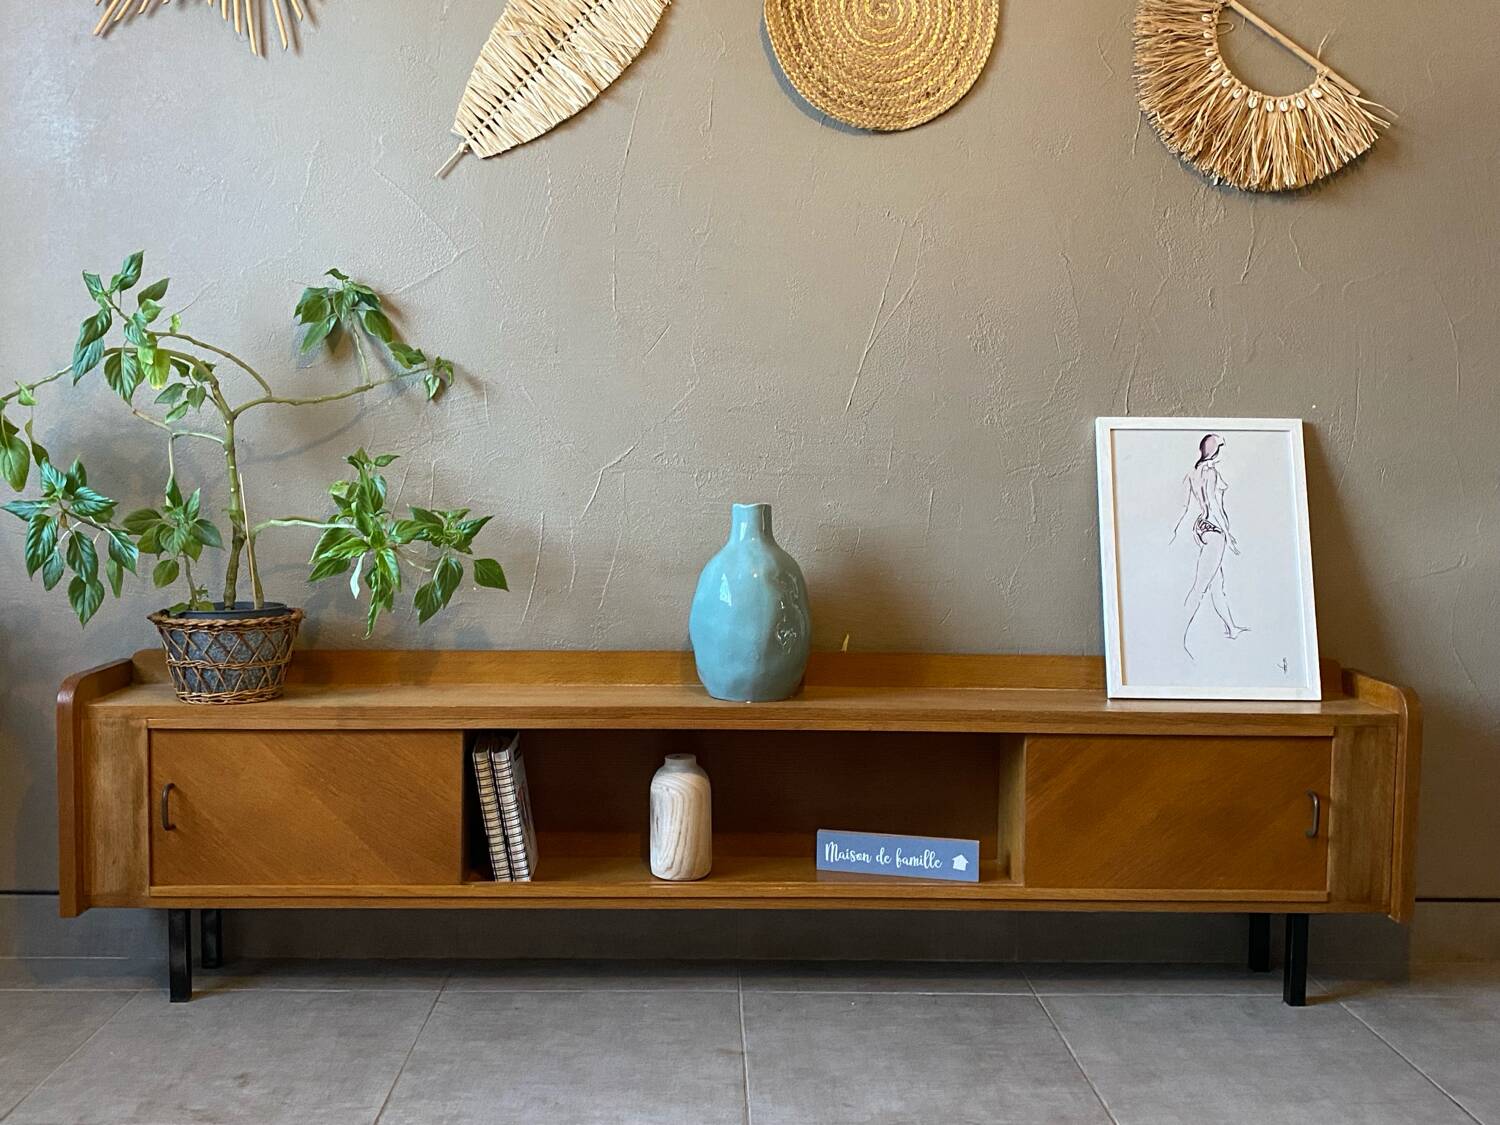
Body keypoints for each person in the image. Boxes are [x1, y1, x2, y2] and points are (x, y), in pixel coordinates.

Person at [1170, 433, 1249, 657]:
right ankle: (1177, 637)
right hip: (1214, 533)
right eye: (1220, 449)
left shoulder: (1193, 472)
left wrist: (1180, 531)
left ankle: (1231, 627)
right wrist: (1228, 533)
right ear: (1214, 451)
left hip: (1201, 529)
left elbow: (1185, 506)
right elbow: (1214, 504)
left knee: (1216, 584)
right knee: (1200, 587)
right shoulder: (1210, 472)